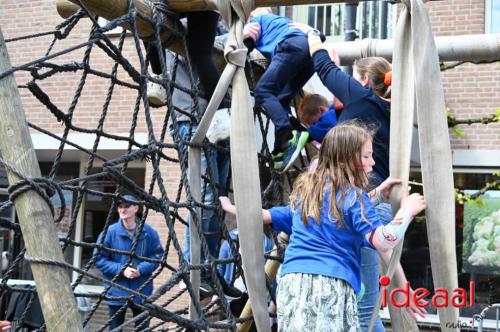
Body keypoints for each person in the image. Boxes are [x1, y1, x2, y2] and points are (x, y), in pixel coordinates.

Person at [220, 122, 427, 331]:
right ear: (345, 161)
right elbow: (383, 240)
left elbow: (264, 215)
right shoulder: (354, 196)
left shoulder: (308, 196)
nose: (372, 162)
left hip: (292, 283)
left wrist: (232, 207)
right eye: (366, 156)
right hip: (329, 284)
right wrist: (406, 211)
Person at [291, 22, 396, 331]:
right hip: (373, 202)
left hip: (356, 202)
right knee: (364, 303)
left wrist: (313, 37)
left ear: (363, 80)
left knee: (361, 309)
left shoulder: (362, 97)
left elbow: (321, 66)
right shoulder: (394, 108)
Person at [243, 8, 325, 172]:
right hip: (311, 57)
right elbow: (320, 36)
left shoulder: (257, 20)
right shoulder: (286, 23)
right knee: (280, 100)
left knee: (263, 91)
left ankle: (289, 134)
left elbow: (246, 47)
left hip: (291, 47)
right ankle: (279, 151)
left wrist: (241, 38)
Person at [94, 195, 164, 331]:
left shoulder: (149, 232)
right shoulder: (110, 232)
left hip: (141, 291)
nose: (122, 209)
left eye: (127, 206)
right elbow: (98, 259)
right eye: (120, 206)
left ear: (136, 208)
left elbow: (157, 256)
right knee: (115, 329)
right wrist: (122, 269)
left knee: (143, 329)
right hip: (116, 291)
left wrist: (141, 269)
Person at [146, 11, 229, 109]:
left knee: (201, 53)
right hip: (184, 110)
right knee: (201, 53)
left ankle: (222, 110)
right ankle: (159, 77)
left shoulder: (224, 31)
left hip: (195, 110)